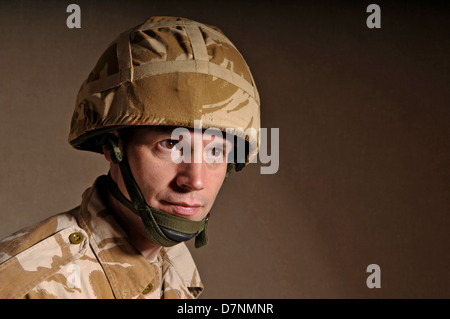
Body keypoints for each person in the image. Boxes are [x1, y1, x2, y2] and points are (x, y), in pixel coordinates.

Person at [0, 16, 260, 299]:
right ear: (113, 146)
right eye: (171, 144)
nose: (195, 180)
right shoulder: (29, 286)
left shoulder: (175, 271)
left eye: (215, 151)